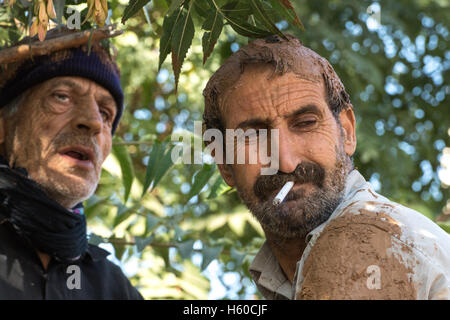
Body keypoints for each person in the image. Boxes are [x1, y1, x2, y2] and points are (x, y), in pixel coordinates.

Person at [202, 34, 450, 300]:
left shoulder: (368, 243)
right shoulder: (291, 274)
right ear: (225, 165)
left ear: (347, 131)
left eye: (306, 123)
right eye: (254, 136)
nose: (286, 161)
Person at [0, 28, 143, 299]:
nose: (92, 122)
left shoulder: (114, 289)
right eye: (62, 96)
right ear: (3, 126)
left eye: (105, 113)